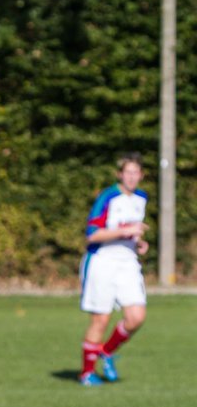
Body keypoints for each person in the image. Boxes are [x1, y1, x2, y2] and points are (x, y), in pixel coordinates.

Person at [78, 153, 149, 386]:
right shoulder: (108, 197)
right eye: (127, 172)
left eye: (135, 172)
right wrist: (124, 232)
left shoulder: (141, 198)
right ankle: (87, 372)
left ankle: (106, 351)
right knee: (101, 318)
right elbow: (92, 235)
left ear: (141, 175)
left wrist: (138, 243)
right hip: (103, 261)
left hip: (127, 262)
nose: (131, 177)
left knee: (136, 317)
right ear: (120, 174)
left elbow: (132, 233)